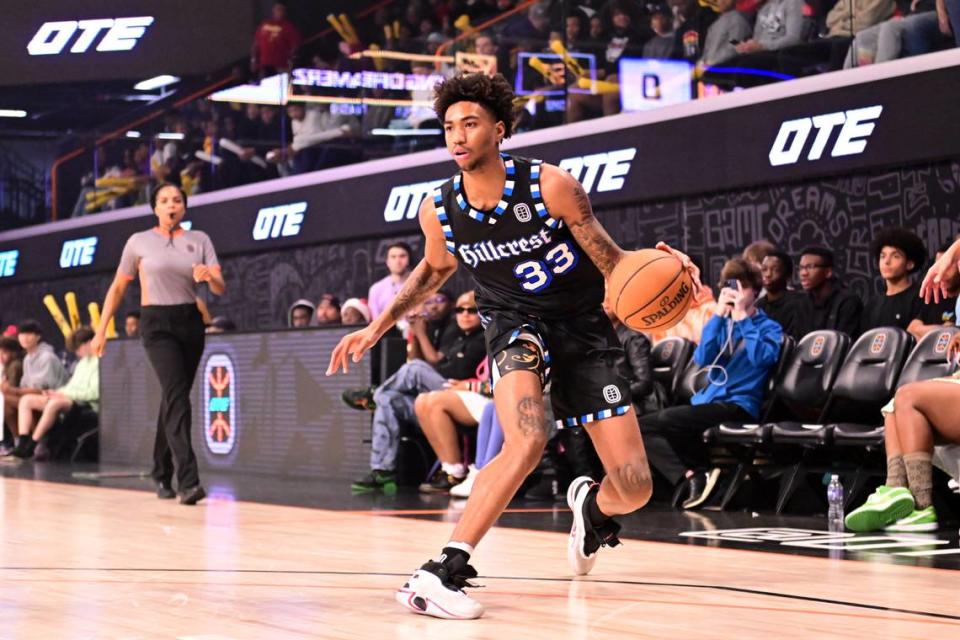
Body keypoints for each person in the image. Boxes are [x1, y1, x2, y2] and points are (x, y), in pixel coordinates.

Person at [327, 72, 701, 620]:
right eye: (449, 126)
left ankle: (592, 510)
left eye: (470, 124)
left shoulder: (552, 186)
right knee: (526, 441)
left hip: (581, 328)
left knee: (636, 487)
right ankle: (441, 571)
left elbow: (612, 262)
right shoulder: (440, 210)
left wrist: (665, 271)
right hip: (512, 325)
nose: (457, 135)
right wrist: (377, 325)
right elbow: (434, 270)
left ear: (499, 130)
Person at [91, 183, 226, 505]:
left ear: (184, 207)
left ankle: (159, 472)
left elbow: (220, 288)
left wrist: (210, 276)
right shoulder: (138, 242)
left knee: (173, 399)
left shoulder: (200, 240)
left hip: (190, 321)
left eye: (177, 200)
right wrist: (100, 329)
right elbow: (118, 288)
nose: (171, 205)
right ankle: (188, 482)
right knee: (178, 398)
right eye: (164, 201)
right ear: (154, 207)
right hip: (156, 324)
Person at [639, 258, 781, 510]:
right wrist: (718, 316)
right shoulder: (721, 323)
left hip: (738, 403)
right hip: (708, 400)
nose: (736, 292)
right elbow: (704, 358)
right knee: (642, 427)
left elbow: (761, 358)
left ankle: (701, 473)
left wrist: (743, 319)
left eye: (743, 287)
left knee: (665, 421)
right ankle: (692, 476)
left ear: (755, 291)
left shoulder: (769, 327)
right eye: (731, 286)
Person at [346, 291, 486, 493]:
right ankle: (382, 470)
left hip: (464, 396)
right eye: (460, 310)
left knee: (415, 370)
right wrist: (415, 334)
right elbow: (420, 359)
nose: (465, 314)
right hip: (440, 395)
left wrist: (420, 334)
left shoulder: (483, 338)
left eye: (472, 310)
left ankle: (373, 394)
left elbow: (433, 362)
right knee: (388, 399)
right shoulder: (457, 336)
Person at [11, 327, 99, 459]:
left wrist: (65, 394)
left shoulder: (101, 362)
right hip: (71, 399)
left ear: (89, 343)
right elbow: (72, 386)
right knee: (27, 400)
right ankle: (23, 442)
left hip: (88, 405)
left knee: (54, 404)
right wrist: (56, 392)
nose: (77, 352)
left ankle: (33, 444)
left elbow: (94, 393)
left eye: (78, 347)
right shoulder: (82, 363)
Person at [2, 321, 67, 455]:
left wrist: (12, 390)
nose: (24, 338)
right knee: (6, 400)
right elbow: (26, 386)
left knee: (16, 400)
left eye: (29, 334)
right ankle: (19, 442)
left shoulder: (47, 357)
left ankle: (35, 443)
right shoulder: (28, 359)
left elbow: (42, 388)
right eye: (21, 334)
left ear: (38, 337)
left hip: (53, 398)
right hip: (36, 398)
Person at [860, 227, 926, 334]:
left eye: (895, 256)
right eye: (883, 256)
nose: (887, 261)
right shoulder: (873, 304)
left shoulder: (920, 297)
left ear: (909, 264)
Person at [797, 246, 863, 338]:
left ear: (828, 272)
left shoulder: (847, 302)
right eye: (801, 268)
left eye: (810, 267)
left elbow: (844, 343)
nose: (803, 273)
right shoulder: (803, 303)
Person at [908, 242, 958, 340]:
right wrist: (942, 329)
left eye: (945, 264)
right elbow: (912, 329)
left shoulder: (957, 299)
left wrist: (924, 331)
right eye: (937, 264)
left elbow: (952, 332)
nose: (941, 269)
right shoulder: (932, 296)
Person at [757, 250, 806, 339]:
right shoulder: (759, 305)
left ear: (788, 275)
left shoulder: (799, 304)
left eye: (775, 270)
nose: (768, 274)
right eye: (764, 269)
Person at [250, 2, 302, 78]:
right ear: (273, 10)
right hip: (264, 64)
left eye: (281, 10)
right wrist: (253, 60)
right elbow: (256, 44)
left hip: (280, 65)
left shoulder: (288, 27)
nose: (279, 12)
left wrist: (288, 58)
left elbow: (295, 45)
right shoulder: (264, 24)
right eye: (278, 9)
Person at [368, 242, 414, 321]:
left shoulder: (421, 282)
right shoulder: (376, 289)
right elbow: (375, 321)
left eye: (402, 256)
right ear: (387, 262)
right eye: (393, 257)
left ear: (409, 259)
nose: (398, 261)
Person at [0, 336, 25, 452]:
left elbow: (10, 387)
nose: (1, 356)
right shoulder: (7, 366)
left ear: (13, 352)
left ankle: (14, 441)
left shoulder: (15, 365)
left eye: (4, 352)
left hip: (20, 398)